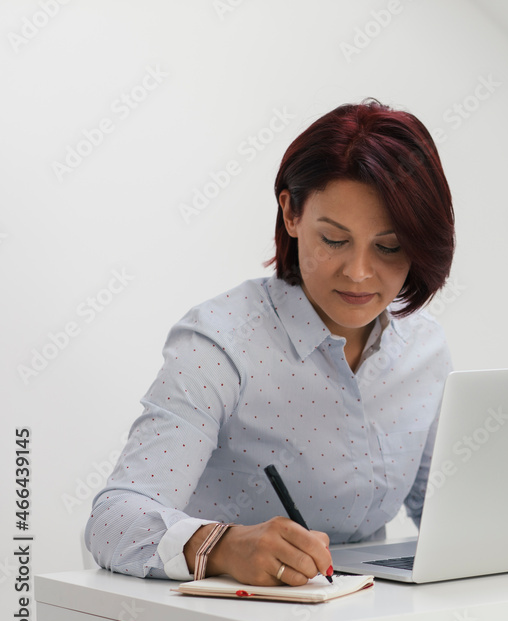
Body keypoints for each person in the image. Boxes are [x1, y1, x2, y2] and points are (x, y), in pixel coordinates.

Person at [86, 100, 455, 586]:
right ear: (291, 213)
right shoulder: (219, 343)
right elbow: (112, 521)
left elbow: (447, 517)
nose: (360, 273)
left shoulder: (423, 350)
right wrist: (219, 546)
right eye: (335, 239)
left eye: (389, 246)